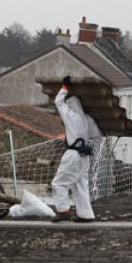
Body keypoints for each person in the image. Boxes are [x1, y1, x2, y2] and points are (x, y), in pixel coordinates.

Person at [51, 76, 103, 222]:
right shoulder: (88, 119)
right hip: (84, 154)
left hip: (73, 153)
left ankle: (63, 211)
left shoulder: (71, 115)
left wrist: (65, 87)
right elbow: (98, 137)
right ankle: (86, 215)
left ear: (72, 106)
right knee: (80, 185)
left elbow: (58, 102)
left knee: (59, 183)